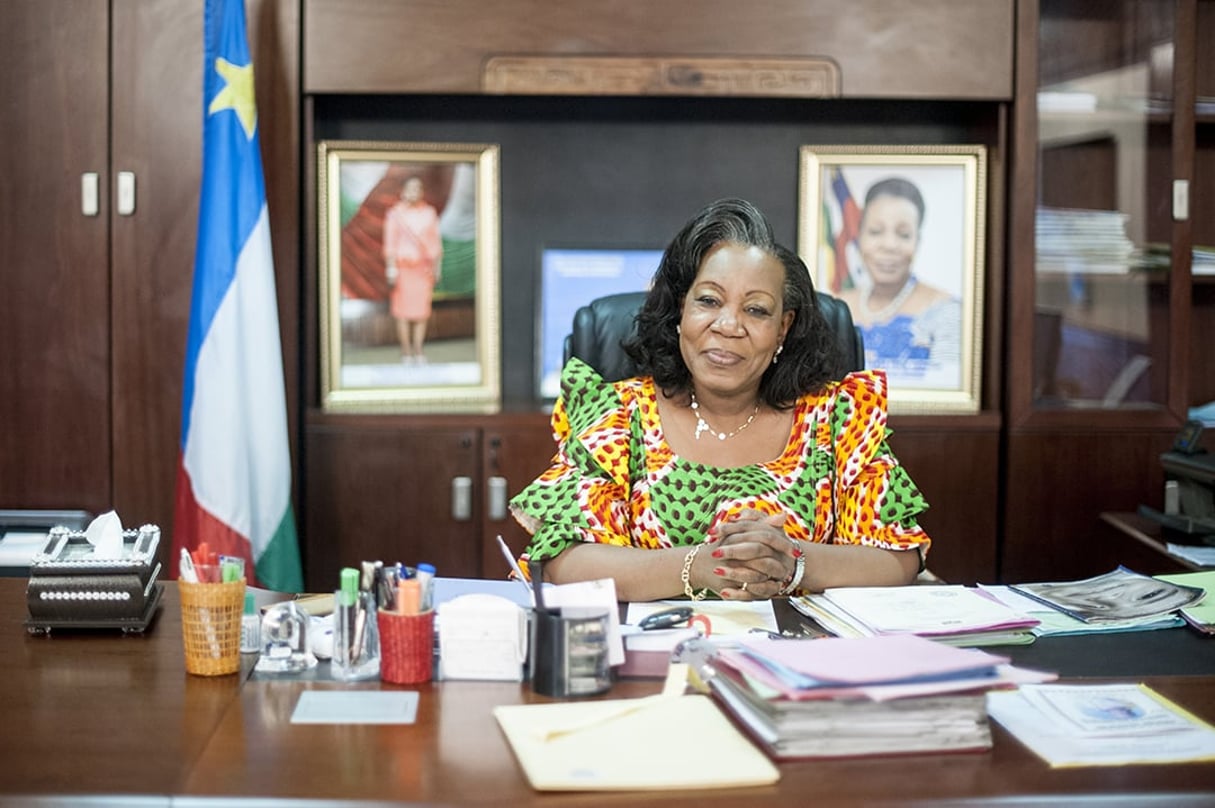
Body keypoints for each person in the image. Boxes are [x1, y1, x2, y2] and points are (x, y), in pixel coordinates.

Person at [509, 198, 931, 602]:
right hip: (655, 661)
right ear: (681, 312)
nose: (729, 325)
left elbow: (899, 559)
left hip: (802, 659)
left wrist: (792, 562)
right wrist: (701, 565)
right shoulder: (618, 417)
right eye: (709, 301)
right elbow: (562, 560)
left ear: (783, 328)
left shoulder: (837, 419)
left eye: (756, 310)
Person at [838, 177, 961, 381]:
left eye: (903, 235)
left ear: (917, 242)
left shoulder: (946, 312)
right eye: (876, 232)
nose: (889, 245)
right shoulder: (836, 306)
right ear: (859, 237)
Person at [383, 175, 443, 364]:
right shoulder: (395, 214)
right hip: (403, 269)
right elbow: (390, 243)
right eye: (410, 188)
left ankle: (418, 350)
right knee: (403, 312)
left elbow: (436, 243)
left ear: (422, 191)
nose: (414, 192)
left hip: (423, 270)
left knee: (421, 313)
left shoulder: (429, 213)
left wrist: (437, 267)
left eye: (418, 188)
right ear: (402, 191)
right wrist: (391, 268)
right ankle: (406, 351)